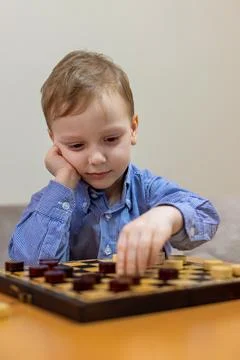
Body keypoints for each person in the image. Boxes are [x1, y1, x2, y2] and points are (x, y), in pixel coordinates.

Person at [8, 50, 220, 276]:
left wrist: (167, 217)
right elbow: (29, 267)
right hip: (77, 309)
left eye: (110, 139)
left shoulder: (148, 190)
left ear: (133, 129)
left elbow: (206, 215)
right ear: (55, 142)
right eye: (76, 146)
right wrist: (64, 180)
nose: (97, 158)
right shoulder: (50, 202)